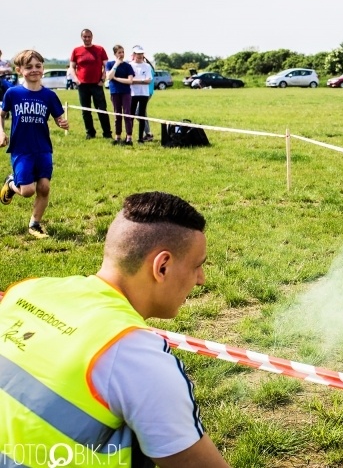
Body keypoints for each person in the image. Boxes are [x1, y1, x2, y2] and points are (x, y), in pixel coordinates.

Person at [0, 191, 231, 468]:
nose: (201, 280)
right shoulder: (137, 356)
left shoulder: (26, 290)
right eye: (197, 266)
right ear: (163, 266)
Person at [0, 50, 70, 238]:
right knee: (27, 191)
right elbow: (2, 114)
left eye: (38, 66)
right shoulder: (13, 93)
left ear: (43, 69)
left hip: (43, 148)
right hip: (21, 149)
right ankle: (11, 182)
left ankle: (35, 224)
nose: (34, 70)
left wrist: (62, 122)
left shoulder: (49, 95)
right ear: (19, 69)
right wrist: (1, 132)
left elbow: (58, 117)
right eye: (29, 67)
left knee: (44, 187)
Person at [70, 29, 112, 139]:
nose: (87, 39)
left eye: (89, 36)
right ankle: (90, 132)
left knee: (102, 109)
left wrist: (102, 80)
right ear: (82, 37)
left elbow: (106, 67)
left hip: (97, 84)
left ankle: (107, 133)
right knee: (86, 110)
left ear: (92, 37)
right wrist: (76, 80)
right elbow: (72, 67)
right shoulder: (76, 51)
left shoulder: (99, 49)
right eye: (85, 37)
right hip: (82, 85)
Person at [106, 45, 136, 146]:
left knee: (127, 114)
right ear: (115, 54)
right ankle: (117, 136)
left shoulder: (128, 66)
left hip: (126, 93)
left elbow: (130, 81)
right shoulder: (110, 64)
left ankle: (129, 137)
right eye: (119, 52)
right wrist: (116, 65)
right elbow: (109, 76)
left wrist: (116, 78)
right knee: (117, 115)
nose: (121, 54)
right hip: (115, 92)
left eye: (122, 52)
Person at [129, 45, 152, 144]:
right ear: (134, 54)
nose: (139, 56)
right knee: (131, 115)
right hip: (133, 93)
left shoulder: (147, 66)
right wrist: (142, 80)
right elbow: (130, 81)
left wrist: (136, 81)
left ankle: (140, 138)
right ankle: (129, 136)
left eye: (141, 54)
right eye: (138, 54)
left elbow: (148, 81)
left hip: (144, 93)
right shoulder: (130, 65)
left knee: (142, 115)